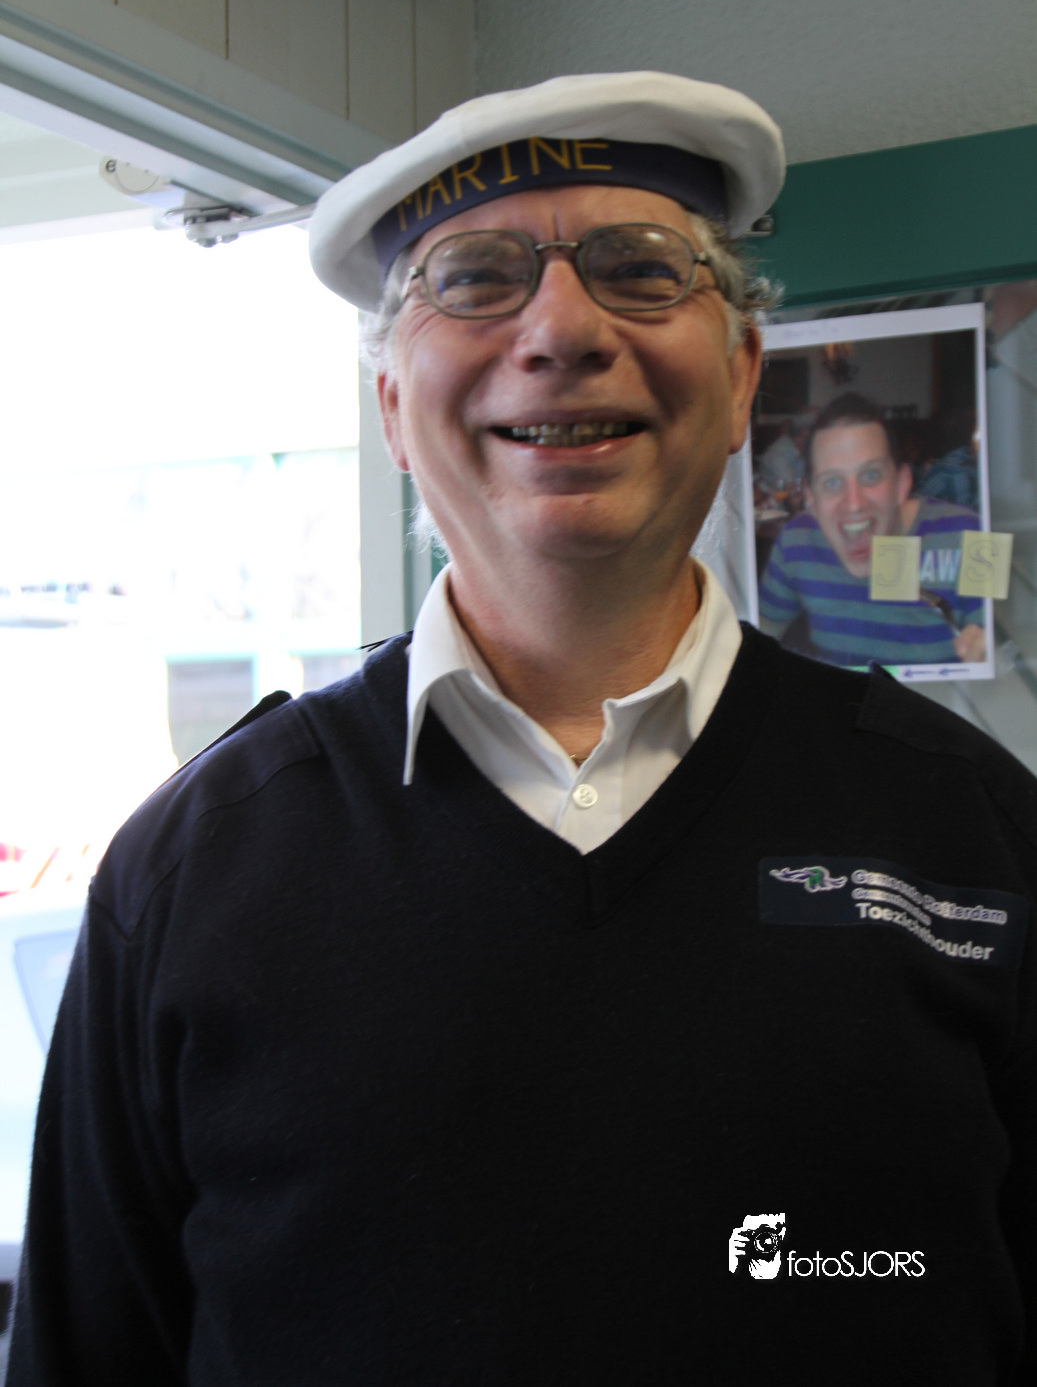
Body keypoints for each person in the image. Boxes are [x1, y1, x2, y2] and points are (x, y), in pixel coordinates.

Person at [9, 73, 1037, 1386]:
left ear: (739, 378)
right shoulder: (188, 872)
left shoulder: (974, 826)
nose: (560, 327)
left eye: (640, 268)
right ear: (391, 405)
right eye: (476, 277)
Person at [758, 392, 986, 666]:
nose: (853, 504)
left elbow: (1010, 651)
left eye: (871, 475)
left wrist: (992, 658)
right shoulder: (795, 542)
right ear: (811, 498)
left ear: (901, 484)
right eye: (832, 482)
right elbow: (758, 640)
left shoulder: (976, 536)